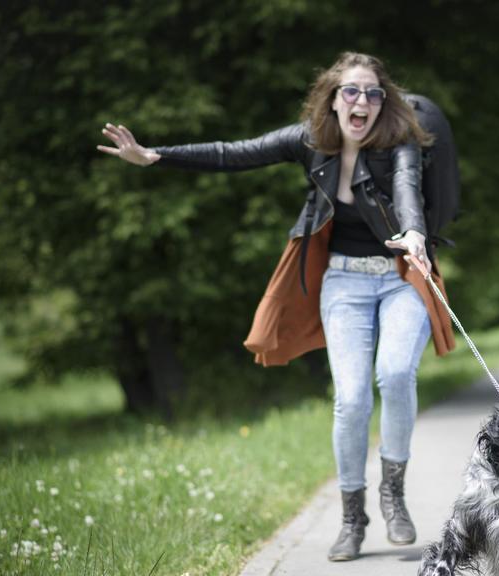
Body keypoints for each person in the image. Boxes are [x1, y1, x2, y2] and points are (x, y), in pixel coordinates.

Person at [97, 51, 455, 562]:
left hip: (400, 278)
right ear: (332, 100)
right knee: (351, 398)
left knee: (396, 375)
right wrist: (156, 156)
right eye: (351, 91)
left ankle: (392, 493)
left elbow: (407, 187)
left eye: (373, 93)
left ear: (383, 103)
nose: (362, 102)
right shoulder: (307, 140)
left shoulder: (398, 142)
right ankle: (352, 518)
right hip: (344, 283)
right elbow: (232, 152)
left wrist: (415, 231)